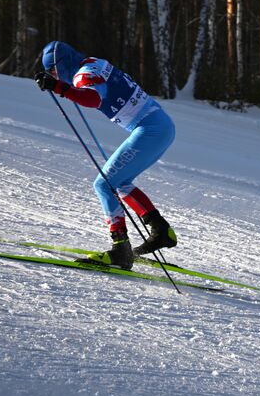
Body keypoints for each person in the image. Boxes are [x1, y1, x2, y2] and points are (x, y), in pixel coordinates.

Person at [34, 41, 178, 269]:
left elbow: (93, 99)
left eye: (53, 71)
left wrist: (58, 87)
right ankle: (161, 230)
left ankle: (121, 249)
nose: (54, 76)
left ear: (60, 65)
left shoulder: (83, 75)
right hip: (162, 126)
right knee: (120, 182)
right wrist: (60, 86)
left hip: (149, 130)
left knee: (103, 184)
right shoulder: (94, 62)